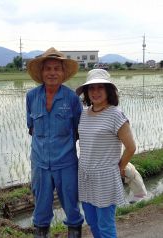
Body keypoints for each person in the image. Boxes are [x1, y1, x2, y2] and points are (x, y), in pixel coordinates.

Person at [26, 47, 84, 238]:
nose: (52, 73)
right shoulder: (31, 97)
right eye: (48, 69)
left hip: (66, 163)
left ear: (63, 72)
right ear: (41, 73)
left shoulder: (72, 98)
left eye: (56, 68)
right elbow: (31, 128)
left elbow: (77, 130)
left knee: (71, 207)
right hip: (40, 164)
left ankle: (74, 233)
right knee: (41, 210)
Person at [76, 69, 136, 238]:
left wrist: (119, 168)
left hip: (105, 177)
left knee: (105, 226)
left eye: (100, 87)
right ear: (87, 92)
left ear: (109, 90)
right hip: (85, 176)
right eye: (91, 88)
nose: (95, 92)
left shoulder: (116, 115)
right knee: (92, 222)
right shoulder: (84, 113)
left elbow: (131, 147)